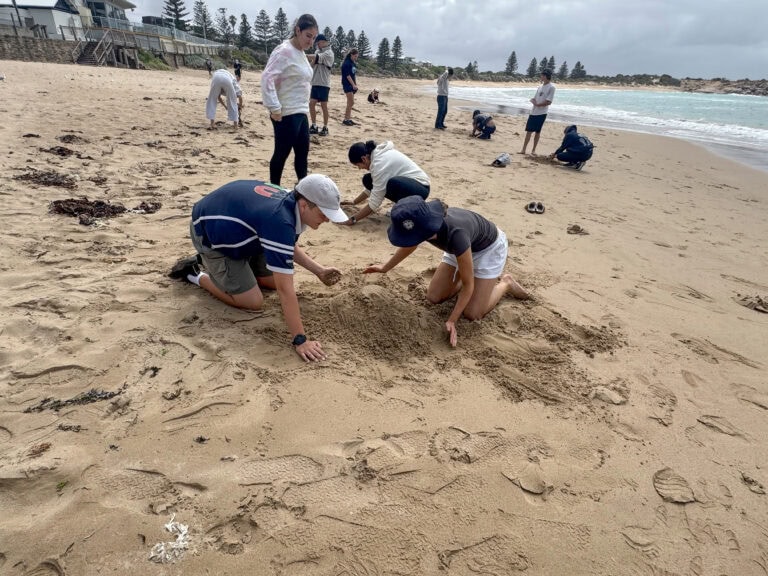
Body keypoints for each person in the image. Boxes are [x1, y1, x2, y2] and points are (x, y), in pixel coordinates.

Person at [168, 174, 349, 362]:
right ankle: (195, 273)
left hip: (244, 233)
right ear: (304, 205)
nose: (327, 220)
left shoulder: (292, 202)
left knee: (269, 282)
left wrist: (318, 270)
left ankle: (242, 271)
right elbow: (285, 290)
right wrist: (300, 339)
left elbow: (285, 244)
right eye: (324, 213)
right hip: (211, 236)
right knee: (252, 301)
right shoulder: (279, 220)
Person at [364, 196, 529, 347]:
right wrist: (385, 267)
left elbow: (468, 283)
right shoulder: (426, 227)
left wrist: (452, 320)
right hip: (456, 250)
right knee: (434, 297)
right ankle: (466, 285)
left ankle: (506, 283)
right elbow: (410, 244)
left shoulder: (456, 234)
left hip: (488, 250)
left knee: (472, 313)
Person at [260, 14, 317, 186]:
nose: (311, 42)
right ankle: (274, 189)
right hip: (285, 113)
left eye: (314, 38)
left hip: (301, 111)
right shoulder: (284, 50)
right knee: (281, 154)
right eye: (308, 36)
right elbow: (267, 77)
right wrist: (274, 107)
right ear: (297, 30)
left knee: (302, 155)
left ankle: (303, 192)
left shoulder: (299, 53)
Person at [342, 140, 430, 225]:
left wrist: (353, 219)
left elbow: (375, 202)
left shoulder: (379, 164)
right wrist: (354, 202)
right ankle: (404, 206)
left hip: (421, 188)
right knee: (368, 179)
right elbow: (374, 188)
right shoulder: (376, 156)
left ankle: (407, 210)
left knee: (393, 183)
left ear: (364, 159)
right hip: (409, 184)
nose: (359, 168)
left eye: (358, 165)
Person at [520, 69, 556, 155]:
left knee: (537, 132)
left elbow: (549, 102)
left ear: (546, 76)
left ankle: (533, 150)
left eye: (542, 75)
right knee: (528, 131)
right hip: (533, 112)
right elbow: (535, 98)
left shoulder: (551, 87)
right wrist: (533, 101)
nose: (541, 77)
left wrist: (537, 104)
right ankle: (523, 149)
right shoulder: (540, 86)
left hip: (541, 113)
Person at [309, 34, 334, 137]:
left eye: (318, 43)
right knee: (311, 104)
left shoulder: (329, 53)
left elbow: (317, 58)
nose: (317, 45)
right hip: (315, 82)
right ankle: (314, 125)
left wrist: (301, 54)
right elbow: (312, 63)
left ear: (323, 42)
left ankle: (325, 127)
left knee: (324, 106)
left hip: (324, 84)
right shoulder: (317, 52)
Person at [341, 48, 359, 126]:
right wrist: (353, 85)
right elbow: (348, 76)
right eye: (355, 56)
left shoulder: (352, 63)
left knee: (349, 102)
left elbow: (353, 75)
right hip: (347, 84)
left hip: (351, 84)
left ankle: (348, 118)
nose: (356, 58)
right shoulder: (347, 63)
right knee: (351, 102)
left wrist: (355, 84)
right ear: (351, 55)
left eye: (357, 56)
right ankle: (346, 119)